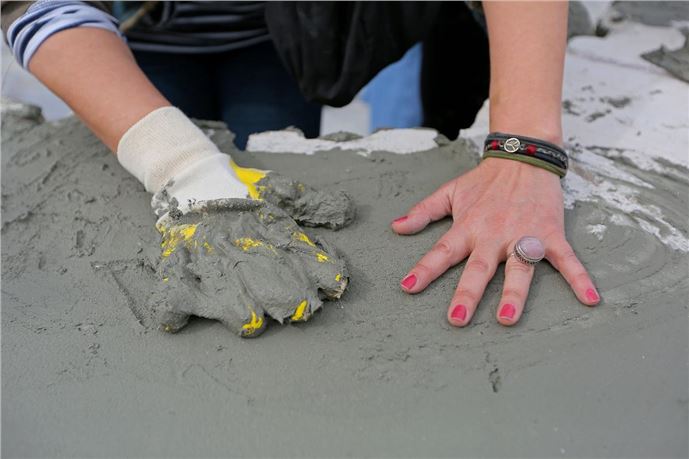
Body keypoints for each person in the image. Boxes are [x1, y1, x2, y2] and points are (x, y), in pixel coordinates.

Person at [2, 1, 600, 336]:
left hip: (278, 32)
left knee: (271, 138)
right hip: (131, 39)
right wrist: (181, 165)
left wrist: (525, 149)